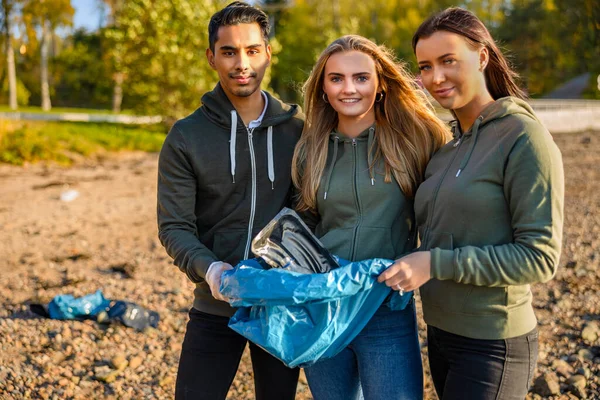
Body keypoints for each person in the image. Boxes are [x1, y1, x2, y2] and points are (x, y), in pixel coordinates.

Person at [378, 7, 565, 400]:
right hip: (441, 335)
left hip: (494, 343)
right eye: (425, 66)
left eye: (448, 61)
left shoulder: (523, 137)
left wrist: (434, 262)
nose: (436, 77)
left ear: (481, 56)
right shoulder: (445, 148)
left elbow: (540, 257)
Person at [157, 2, 304, 399]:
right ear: (211, 57)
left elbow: (309, 213)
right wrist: (213, 271)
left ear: (268, 53)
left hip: (279, 303)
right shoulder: (186, 137)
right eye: (229, 52)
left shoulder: (298, 130)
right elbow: (174, 227)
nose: (242, 63)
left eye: (253, 50)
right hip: (215, 302)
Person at [292, 35, 449, 400]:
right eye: (337, 79)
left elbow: (446, 211)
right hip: (325, 310)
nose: (349, 89)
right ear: (323, 88)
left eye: (361, 78)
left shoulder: (418, 138)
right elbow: (306, 227)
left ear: (379, 85)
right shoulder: (309, 151)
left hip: (386, 310)